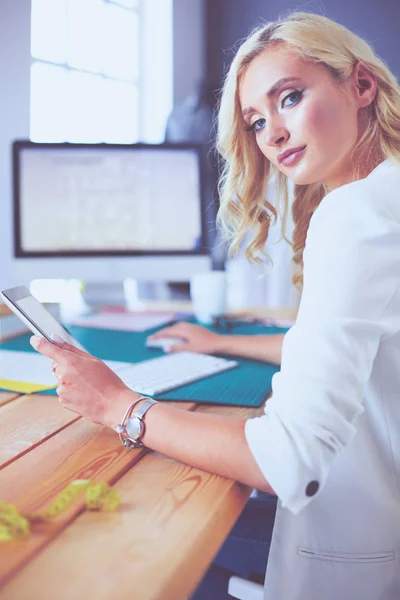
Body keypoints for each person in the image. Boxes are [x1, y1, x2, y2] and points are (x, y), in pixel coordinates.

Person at [30, 11, 400, 600]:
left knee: (126, 542)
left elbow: (289, 459)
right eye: (256, 121)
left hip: (355, 553)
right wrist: (221, 342)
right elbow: (357, 346)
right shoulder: (386, 195)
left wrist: (119, 404)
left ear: (361, 85)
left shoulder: (354, 216)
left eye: (290, 97)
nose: (273, 134)